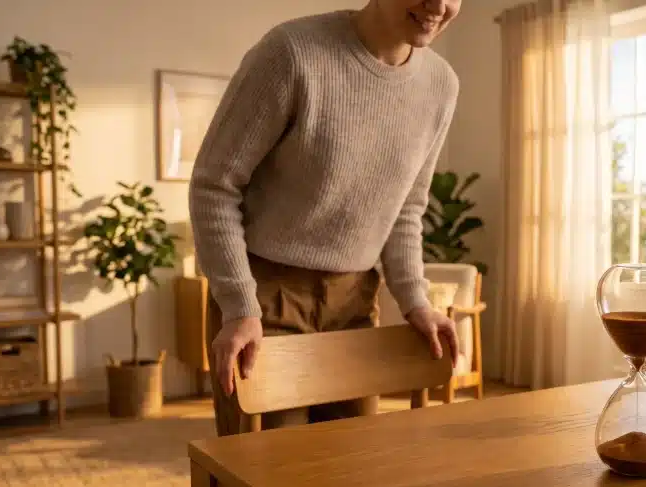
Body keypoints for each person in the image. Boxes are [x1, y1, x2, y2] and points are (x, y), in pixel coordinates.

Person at [189, 0, 462, 437]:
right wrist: (240, 305)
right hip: (265, 297)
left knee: (347, 475)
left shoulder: (441, 84)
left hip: (354, 300)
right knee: (268, 480)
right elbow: (213, 186)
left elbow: (406, 208)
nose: (439, 5)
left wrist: (416, 301)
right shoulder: (292, 53)